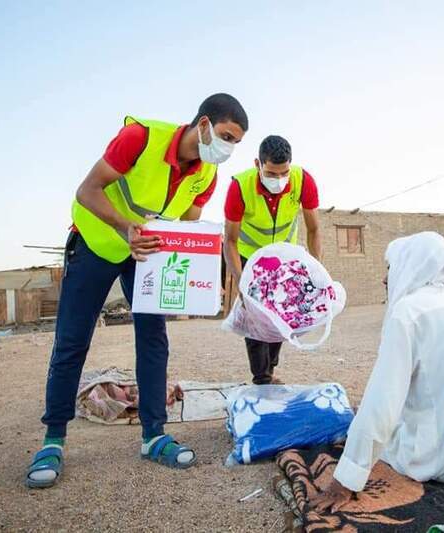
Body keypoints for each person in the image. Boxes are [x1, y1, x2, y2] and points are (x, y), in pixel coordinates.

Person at [25, 93, 248, 489]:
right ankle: (53, 440)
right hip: (97, 242)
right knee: (73, 340)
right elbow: (87, 191)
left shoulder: (205, 175)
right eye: (227, 137)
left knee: (153, 337)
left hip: (143, 254)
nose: (229, 149)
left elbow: (187, 224)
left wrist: (194, 275)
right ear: (203, 125)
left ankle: (153, 436)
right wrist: (125, 227)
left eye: (236, 143)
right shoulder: (139, 138)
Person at [311, 232, 444, 512]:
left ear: (413, 265)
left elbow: (383, 405)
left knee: (369, 421)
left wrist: (345, 481)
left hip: (439, 460)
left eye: (390, 268)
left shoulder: (409, 312)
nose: (385, 278)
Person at [223, 135, 322, 385]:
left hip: (283, 258)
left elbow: (314, 229)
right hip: (251, 257)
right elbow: (230, 240)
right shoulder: (240, 186)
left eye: (283, 173)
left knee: (281, 311)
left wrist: (315, 268)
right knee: (256, 316)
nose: (278, 180)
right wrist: (240, 283)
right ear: (258, 164)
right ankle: (261, 376)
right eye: (271, 173)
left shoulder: (303, 180)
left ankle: (270, 368)